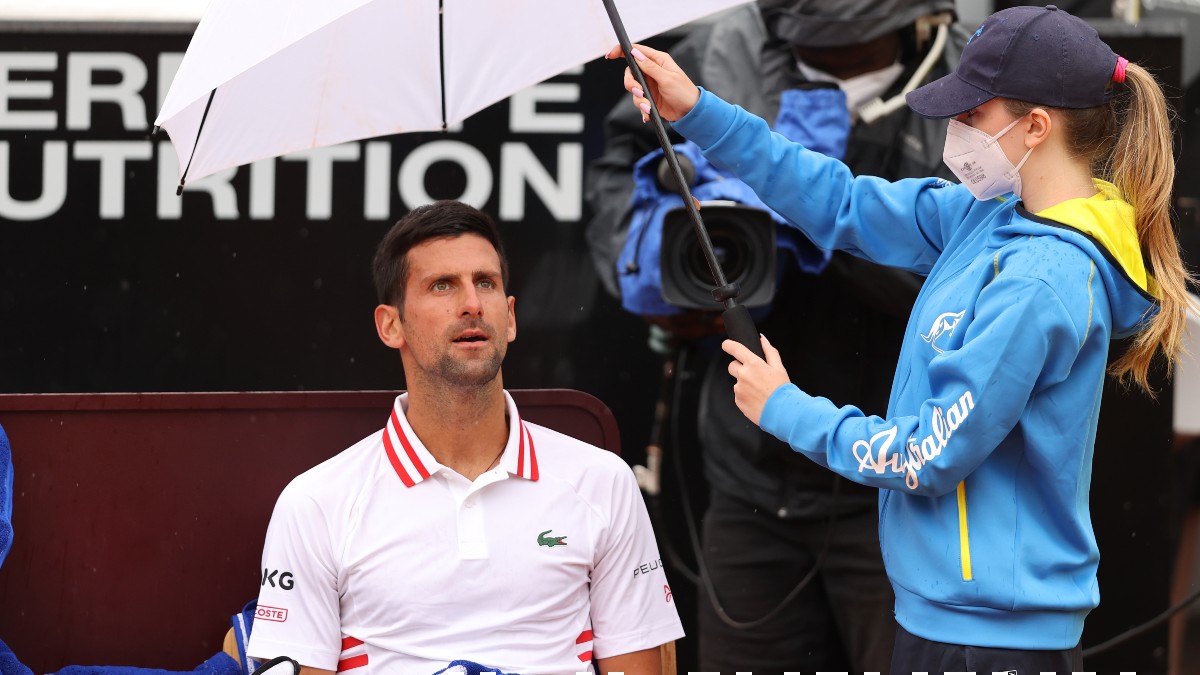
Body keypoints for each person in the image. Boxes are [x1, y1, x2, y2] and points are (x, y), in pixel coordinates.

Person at [612, 4, 1198, 671]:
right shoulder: (989, 218)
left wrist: (785, 407)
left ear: (1037, 126)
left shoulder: (1042, 278)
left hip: (991, 641)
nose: (955, 131)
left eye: (973, 114)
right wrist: (698, 111)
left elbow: (927, 453)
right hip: (952, 624)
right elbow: (839, 202)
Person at [585, 1, 966, 672]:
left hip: (901, 483)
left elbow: (966, 273)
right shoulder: (715, 55)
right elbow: (622, 179)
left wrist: (810, 235)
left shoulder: (971, 90)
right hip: (751, 482)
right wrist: (664, 269)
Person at [245, 200, 684, 675]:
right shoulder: (314, 503)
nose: (472, 303)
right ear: (391, 325)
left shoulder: (602, 481)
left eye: (486, 283)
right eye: (442, 286)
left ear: (510, 317)